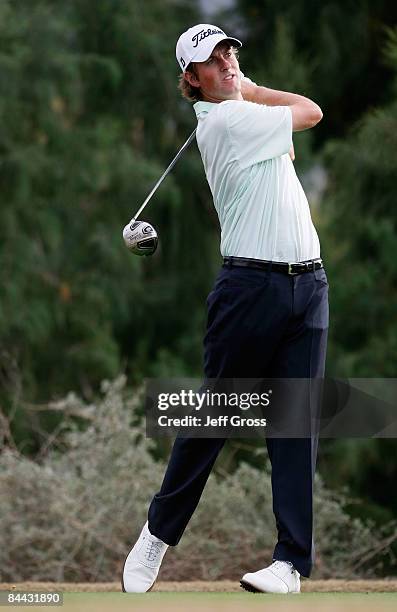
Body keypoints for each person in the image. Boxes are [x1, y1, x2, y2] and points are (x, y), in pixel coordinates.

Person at [122, 23, 329, 594]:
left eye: (230, 51)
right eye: (214, 60)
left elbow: (289, 139)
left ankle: (289, 564)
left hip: (308, 285)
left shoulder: (242, 115)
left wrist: (246, 88)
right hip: (250, 289)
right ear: (192, 80)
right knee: (219, 414)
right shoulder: (228, 122)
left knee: (295, 426)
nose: (229, 62)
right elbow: (310, 112)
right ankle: (156, 536)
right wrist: (256, 90)